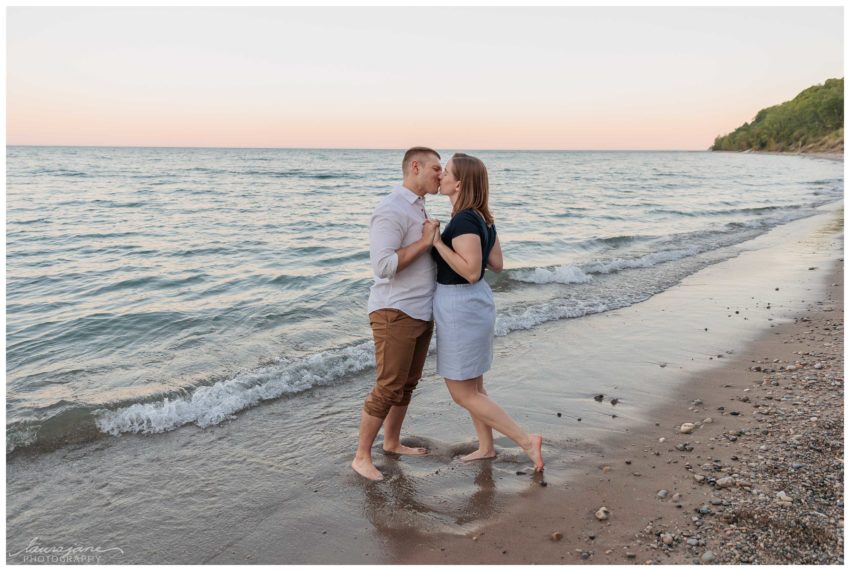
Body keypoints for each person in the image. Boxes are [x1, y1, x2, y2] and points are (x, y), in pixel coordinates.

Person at [429, 153, 544, 472]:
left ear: (459, 183)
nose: (440, 176)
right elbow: (496, 264)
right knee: (475, 387)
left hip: (461, 305)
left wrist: (438, 243)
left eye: (446, 172)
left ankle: (525, 441)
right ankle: (486, 447)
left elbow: (470, 271)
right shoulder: (482, 217)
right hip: (475, 303)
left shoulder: (465, 219)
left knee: (462, 393)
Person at [351, 146, 443, 481]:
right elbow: (384, 265)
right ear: (415, 167)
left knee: (407, 384)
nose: (441, 174)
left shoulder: (419, 208)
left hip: (420, 309)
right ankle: (361, 456)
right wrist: (424, 243)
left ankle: (391, 442)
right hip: (395, 310)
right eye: (436, 168)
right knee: (389, 386)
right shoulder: (390, 208)